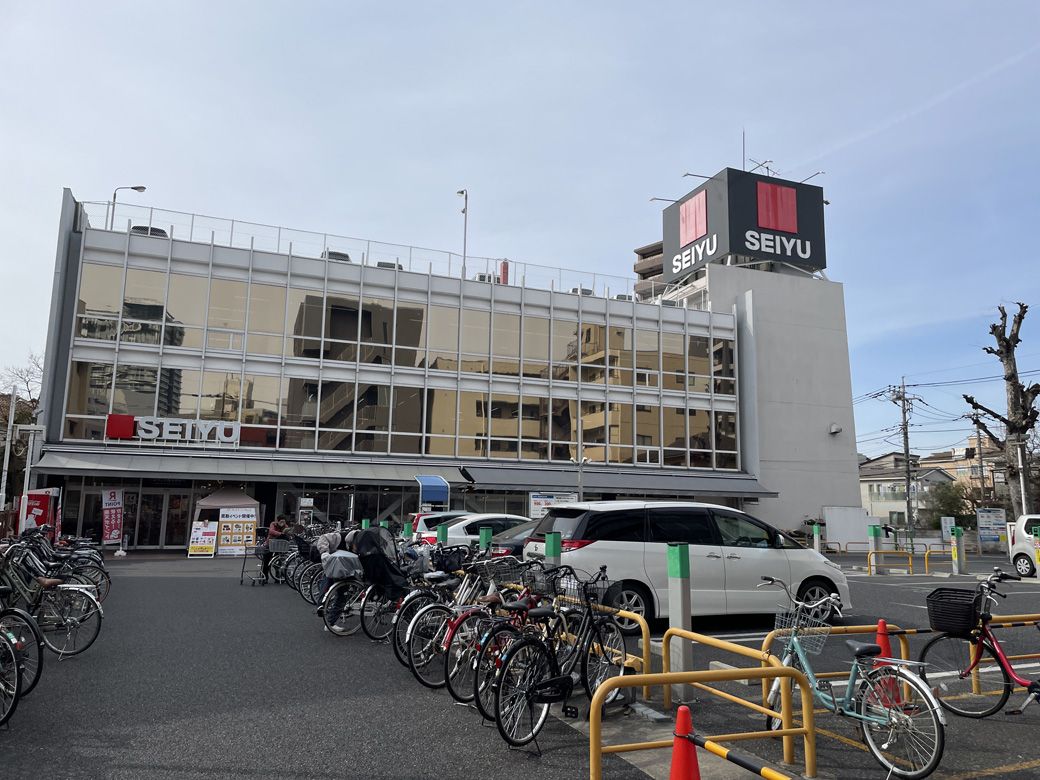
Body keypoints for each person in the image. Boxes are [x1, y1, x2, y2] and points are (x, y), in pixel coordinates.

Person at [315, 528, 359, 632]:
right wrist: (324, 552)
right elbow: (323, 538)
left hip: (342, 568)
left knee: (329, 582)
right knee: (341, 594)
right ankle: (330, 620)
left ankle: (322, 606)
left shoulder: (357, 541)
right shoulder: (340, 537)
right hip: (334, 565)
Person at [260, 515, 288, 581]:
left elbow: (287, 533)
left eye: (284, 522)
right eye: (281, 521)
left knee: (278, 561)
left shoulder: (285, 526)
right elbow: (271, 531)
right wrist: (280, 533)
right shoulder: (273, 524)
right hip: (270, 544)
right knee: (266, 561)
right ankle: (265, 577)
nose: (282, 523)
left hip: (279, 546)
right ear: (277, 521)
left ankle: (278, 577)